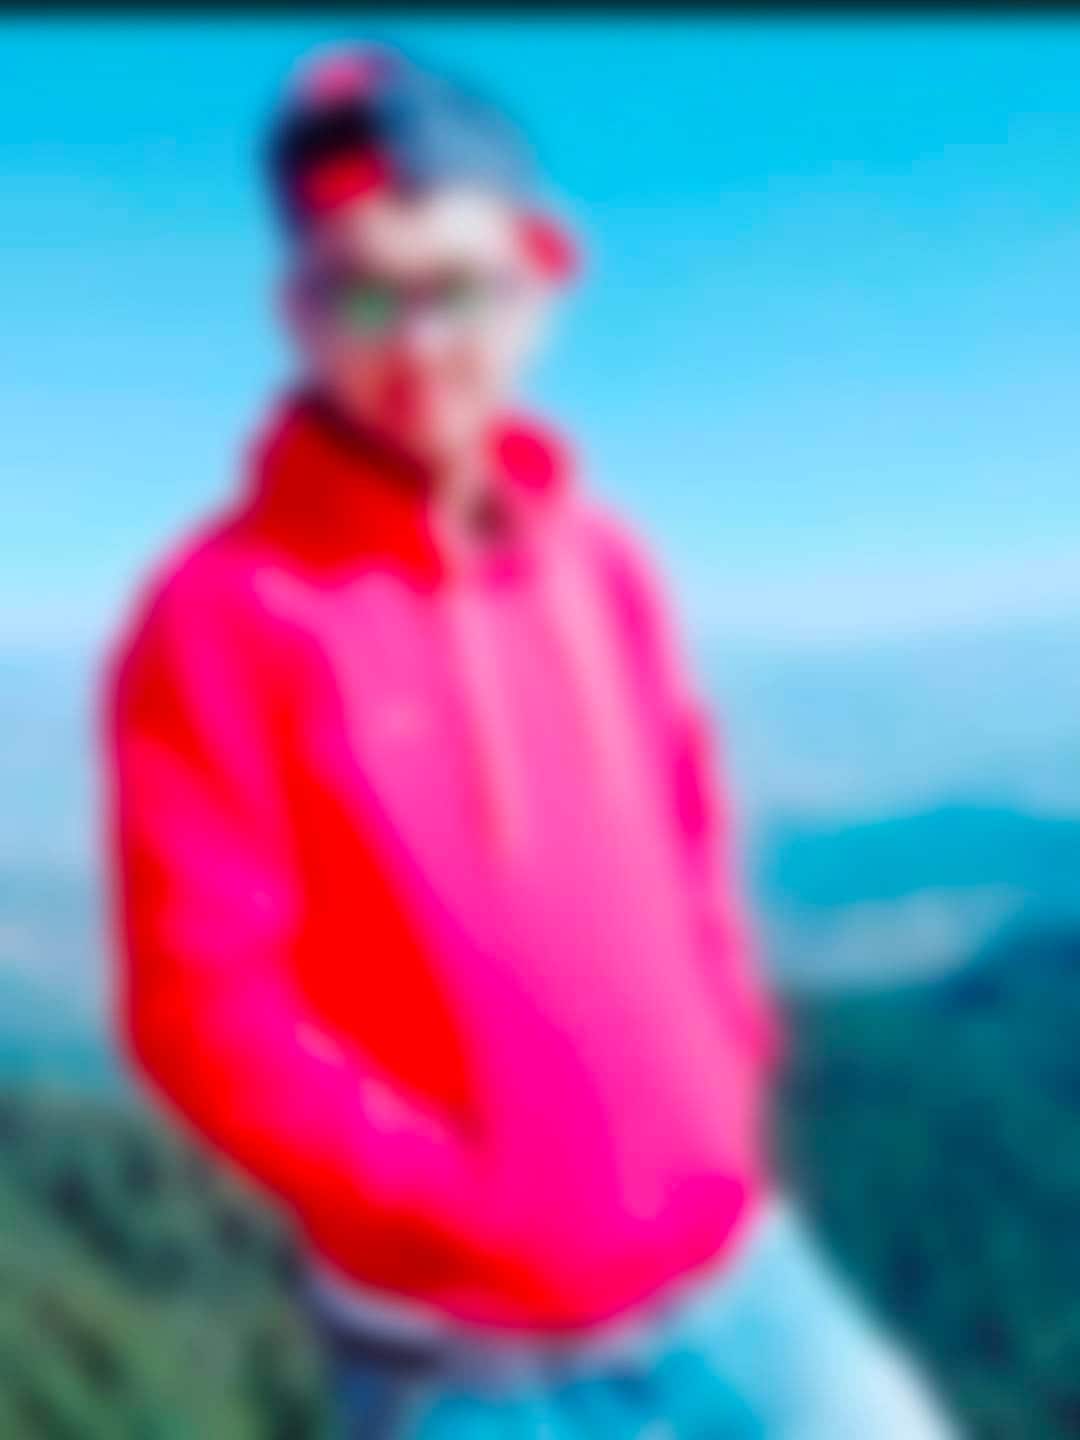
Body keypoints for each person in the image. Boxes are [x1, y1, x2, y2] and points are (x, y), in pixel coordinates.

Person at [101, 42, 958, 1439]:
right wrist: (455, 1195)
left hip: (736, 1279)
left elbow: (689, 829)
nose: (417, 344)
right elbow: (203, 1010)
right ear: (296, 313)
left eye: (458, 289)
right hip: (464, 1367)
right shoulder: (222, 617)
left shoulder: (601, 565)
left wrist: (726, 1063)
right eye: (363, 294)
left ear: (543, 282)